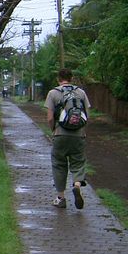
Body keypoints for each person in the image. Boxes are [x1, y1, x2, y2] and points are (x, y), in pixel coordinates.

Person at [44, 68, 91, 209]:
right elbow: (87, 114)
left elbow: (50, 118)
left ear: (58, 79)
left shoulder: (53, 93)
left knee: (59, 164)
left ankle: (61, 198)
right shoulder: (81, 92)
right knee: (78, 161)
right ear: (71, 78)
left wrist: (53, 130)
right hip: (79, 134)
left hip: (60, 134)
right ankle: (77, 185)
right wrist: (82, 130)